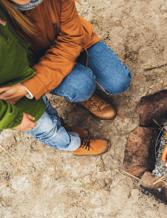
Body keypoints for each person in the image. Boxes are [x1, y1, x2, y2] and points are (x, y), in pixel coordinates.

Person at [0, 4, 108, 156]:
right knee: (47, 129)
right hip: (12, 105)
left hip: (23, 78)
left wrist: (29, 86)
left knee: (47, 110)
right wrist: (14, 119)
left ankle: (64, 127)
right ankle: (73, 145)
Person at [2, 0, 131, 121]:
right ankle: (84, 96)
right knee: (81, 85)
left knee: (119, 82)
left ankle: (80, 78)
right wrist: (31, 85)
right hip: (41, 65)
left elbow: (71, 38)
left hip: (76, 42)